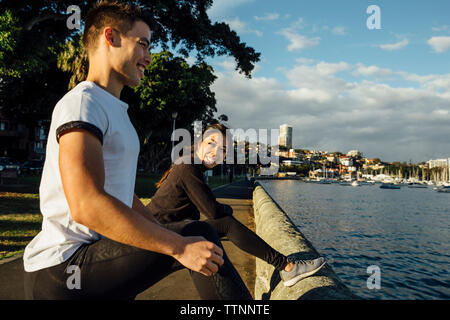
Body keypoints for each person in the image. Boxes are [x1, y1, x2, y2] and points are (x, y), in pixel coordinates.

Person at [23, 0, 252, 300]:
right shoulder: (83, 103)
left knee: (187, 235)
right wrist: (178, 246)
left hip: (98, 255)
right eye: (143, 44)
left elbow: (122, 195)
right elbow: (86, 205)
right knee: (200, 235)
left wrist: (163, 235)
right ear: (111, 37)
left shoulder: (116, 112)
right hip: (64, 267)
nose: (148, 57)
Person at [147, 123, 326, 287]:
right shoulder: (188, 166)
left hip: (167, 232)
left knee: (211, 235)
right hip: (155, 236)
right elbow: (213, 211)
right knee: (225, 223)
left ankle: (285, 267)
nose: (216, 151)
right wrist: (227, 209)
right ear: (199, 143)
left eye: (223, 149)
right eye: (211, 143)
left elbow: (208, 209)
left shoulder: (190, 165)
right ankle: (286, 266)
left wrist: (221, 210)